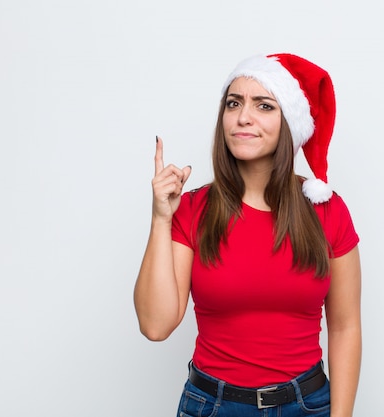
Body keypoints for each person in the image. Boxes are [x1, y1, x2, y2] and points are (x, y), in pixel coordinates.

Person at [134, 53, 362, 417]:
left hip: (308, 405)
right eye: (234, 103)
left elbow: (346, 326)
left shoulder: (327, 210)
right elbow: (155, 325)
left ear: (289, 122)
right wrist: (161, 218)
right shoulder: (192, 210)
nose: (243, 116)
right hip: (213, 406)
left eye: (264, 105)